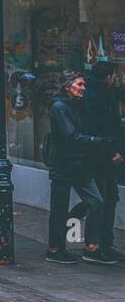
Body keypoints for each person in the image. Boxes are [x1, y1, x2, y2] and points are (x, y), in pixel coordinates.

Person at [45, 71, 111, 264]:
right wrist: (97, 141)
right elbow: (71, 136)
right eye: (79, 84)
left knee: (97, 201)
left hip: (81, 164)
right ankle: (55, 248)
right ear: (68, 87)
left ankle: (91, 247)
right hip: (64, 164)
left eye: (83, 85)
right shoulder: (59, 107)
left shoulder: (78, 105)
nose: (83, 88)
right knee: (59, 207)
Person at [76, 61, 124, 261]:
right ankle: (93, 246)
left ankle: (104, 242)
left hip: (103, 155)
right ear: (109, 77)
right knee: (101, 200)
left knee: (109, 198)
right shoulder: (97, 97)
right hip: (99, 157)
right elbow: (99, 128)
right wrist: (112, 151)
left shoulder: (102, 94)